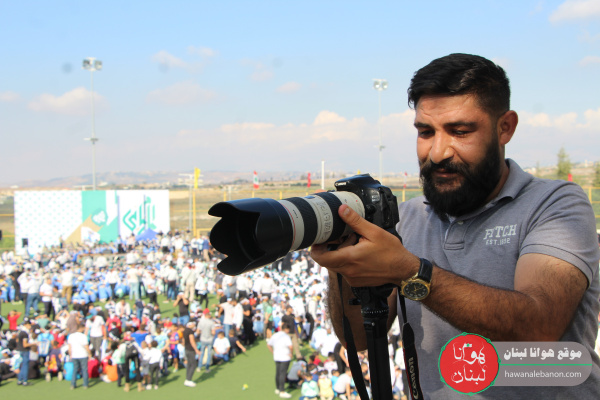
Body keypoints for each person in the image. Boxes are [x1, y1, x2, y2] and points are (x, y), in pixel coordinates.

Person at [311, 53, 600, 398]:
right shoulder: (406, 218)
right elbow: (357, 338)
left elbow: (539, 328)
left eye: (460, 132)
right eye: (425, 132)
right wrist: (343, 263)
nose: (437, 153)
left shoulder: (555, 203)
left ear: (505, 127)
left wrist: (410, 272)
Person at [267, 322, 293, 399]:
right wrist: (291, 353)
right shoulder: (286, 336)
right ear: (286, 329)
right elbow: (290, 346)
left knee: (278, 372)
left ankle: (278, 388)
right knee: (282, 374)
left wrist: (273, 352)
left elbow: (268, 344)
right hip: (285, 357)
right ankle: (282, 391)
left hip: (277, 357)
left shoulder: (275, 335)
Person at [67, 324, 90, 389]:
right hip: (83, 355)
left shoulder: (71, 336)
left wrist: (70, 354)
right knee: (84, 369)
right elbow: (86, 346)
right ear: (81, 328)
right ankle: (85, 384)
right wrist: (89, 354)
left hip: (74, 355)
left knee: (75, 369)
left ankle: (73, 384)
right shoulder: (83, 336)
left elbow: (69, 347)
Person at [182, 321, 202, 387]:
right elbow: (192, 341)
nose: (194, 324)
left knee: (189, 365)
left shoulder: (185, 330)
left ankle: (187, 379)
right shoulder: (190, 331)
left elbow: (183, 341)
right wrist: (196, 350)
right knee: (193, 365)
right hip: (191, 350)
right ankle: (188, 379)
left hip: (186, 349)